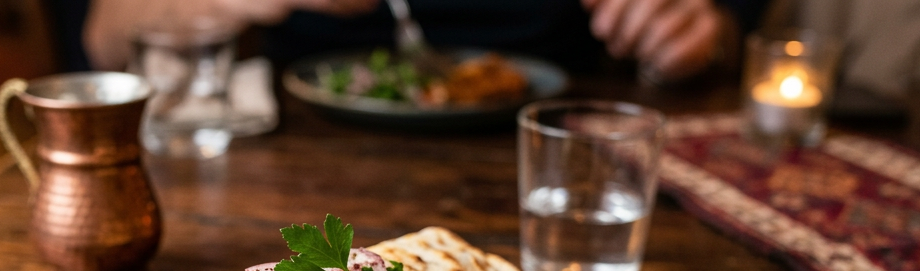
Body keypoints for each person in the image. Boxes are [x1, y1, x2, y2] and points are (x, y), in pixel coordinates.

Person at [81, 0, 766, 82]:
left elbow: (729, 27)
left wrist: (701, 29)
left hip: (559, 143)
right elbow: (103, 36)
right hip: (290, 164)